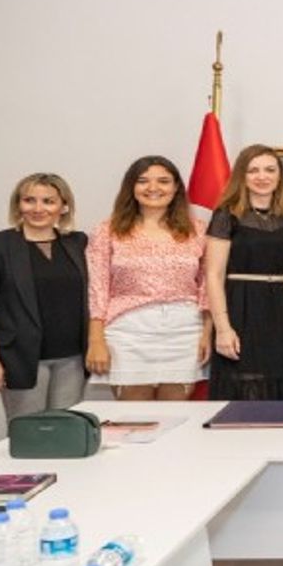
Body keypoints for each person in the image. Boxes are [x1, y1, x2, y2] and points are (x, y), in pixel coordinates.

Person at [0, 173, 90, 420]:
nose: (38, 208)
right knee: (29, 434)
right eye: (29, 200)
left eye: (48, 201)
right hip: (20, 359)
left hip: (73, 360)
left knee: (66, 433)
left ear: (64, 206)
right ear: (18, 204)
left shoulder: (78, 243)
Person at [85, 156, 210, 401]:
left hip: (184, 331)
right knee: (133, 416)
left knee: (175, 414)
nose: (153, 188)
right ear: (131, 187)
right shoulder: (107, 230)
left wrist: (207, 332)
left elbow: (207, 286)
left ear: (176, 187)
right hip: (127, 331)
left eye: (163, 181)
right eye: (143, 181)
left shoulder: (198, 230)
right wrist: (96, 339)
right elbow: (97, 288)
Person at [205, 145, 283, 400]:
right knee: (246, 384)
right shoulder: (226, 215)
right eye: (254, 170)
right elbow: (213, 276)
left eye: (270, 170)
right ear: (242, 175)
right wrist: (223, 328)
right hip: (241, 308)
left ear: (280, 175)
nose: (262, 177)